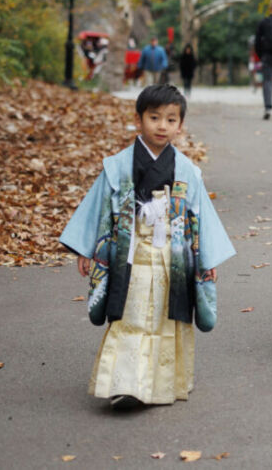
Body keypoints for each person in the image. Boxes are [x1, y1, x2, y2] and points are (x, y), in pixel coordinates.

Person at [59, 84, 235, 408]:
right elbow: (98, 206)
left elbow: (201, 217)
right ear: (138, 119)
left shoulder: (186, 171)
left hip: (173, 256)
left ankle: (160, 383)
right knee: (132, 315)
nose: (162, 126)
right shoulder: (118, 166)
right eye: (154, 117)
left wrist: (207, 259)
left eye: (170, 120)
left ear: (180, 125)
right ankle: (126, 385)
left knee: (168, 318)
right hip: (132, 254)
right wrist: (87, 249)